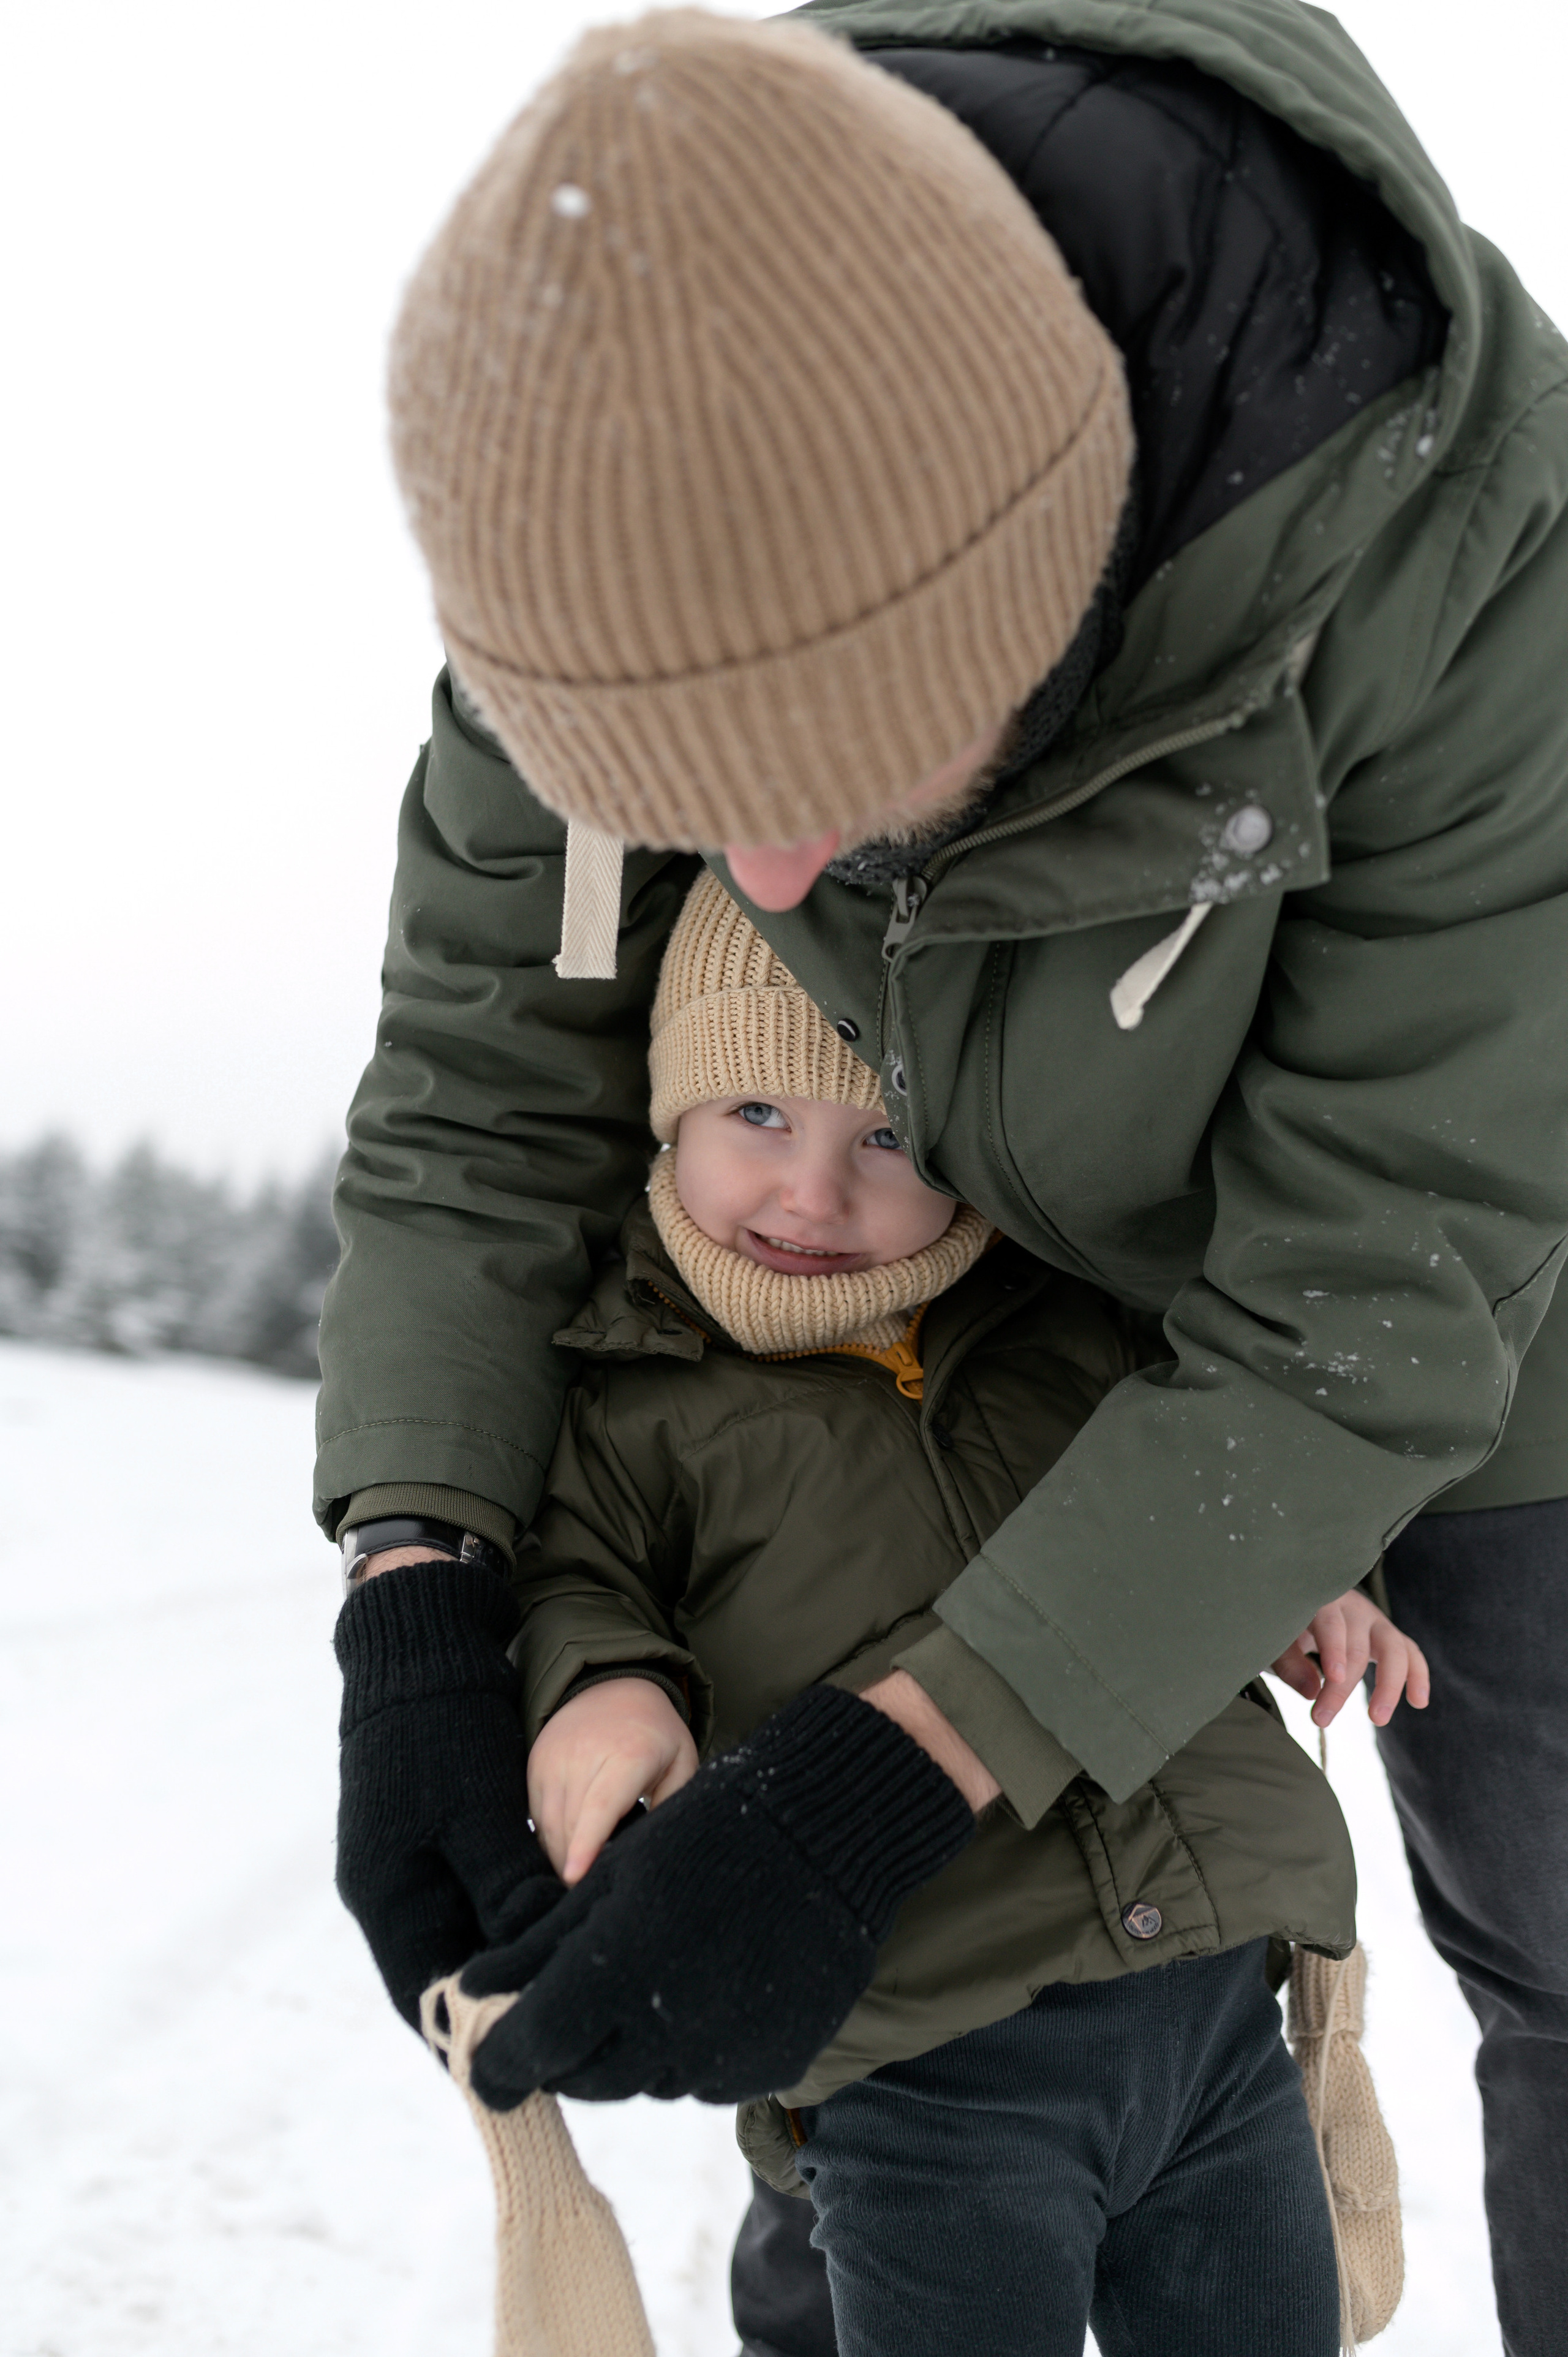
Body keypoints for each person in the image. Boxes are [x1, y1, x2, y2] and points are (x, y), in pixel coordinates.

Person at [322, 10, 1568, 2352]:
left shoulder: (1473, 565)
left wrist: (875, 1786)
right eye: (685, 790)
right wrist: (425, 1574)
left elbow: (1374, 1295)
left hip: (1471, 1284)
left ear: (1043, 578)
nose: (754, 869)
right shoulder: (625, 478)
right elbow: (489, 1087)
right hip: (994, 1266)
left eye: (824, 770)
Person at [458, 867, 1428, 2353]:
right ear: (673, 1111)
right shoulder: (637, 1390)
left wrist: (1300, 1573)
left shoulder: (1073, 1320)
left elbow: (1209, 1492)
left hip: (1209, 2012)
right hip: (923, 2056)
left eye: (887, 1135)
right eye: (759, 1118)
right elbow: (577, 1579)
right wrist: (607, 1680)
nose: (812, 1190)